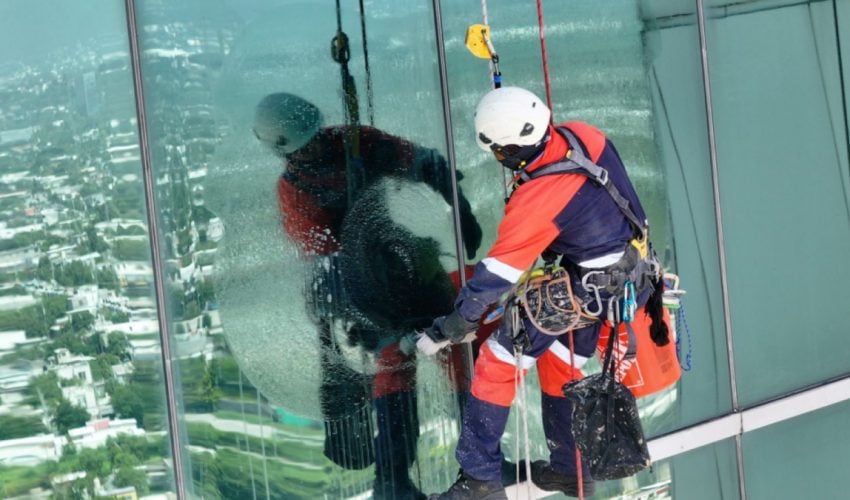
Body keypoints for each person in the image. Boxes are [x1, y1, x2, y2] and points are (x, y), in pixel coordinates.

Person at [417, 86, 670, 499]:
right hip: (629, 277)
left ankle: (479, 481)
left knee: (497, 362)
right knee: (560, 360)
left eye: (498, 151)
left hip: (588, 290)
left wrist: (454, 324)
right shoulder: (583, 135)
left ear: (507, 151)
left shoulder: (538, 198)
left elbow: (496, 276)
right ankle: (570, 470)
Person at [254, 92, 483, 500]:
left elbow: (424, 163)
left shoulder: (355, 142)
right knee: (395, 362)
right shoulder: (296, 192)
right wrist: (367, 313)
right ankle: (393, 482)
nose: (315, 146)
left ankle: (480, 465)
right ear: (286, 152)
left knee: (456, 349)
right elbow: (324, 258)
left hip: (397, 260)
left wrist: (460, 207)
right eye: (306, 144)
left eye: (315, 137)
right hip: (358, 286)